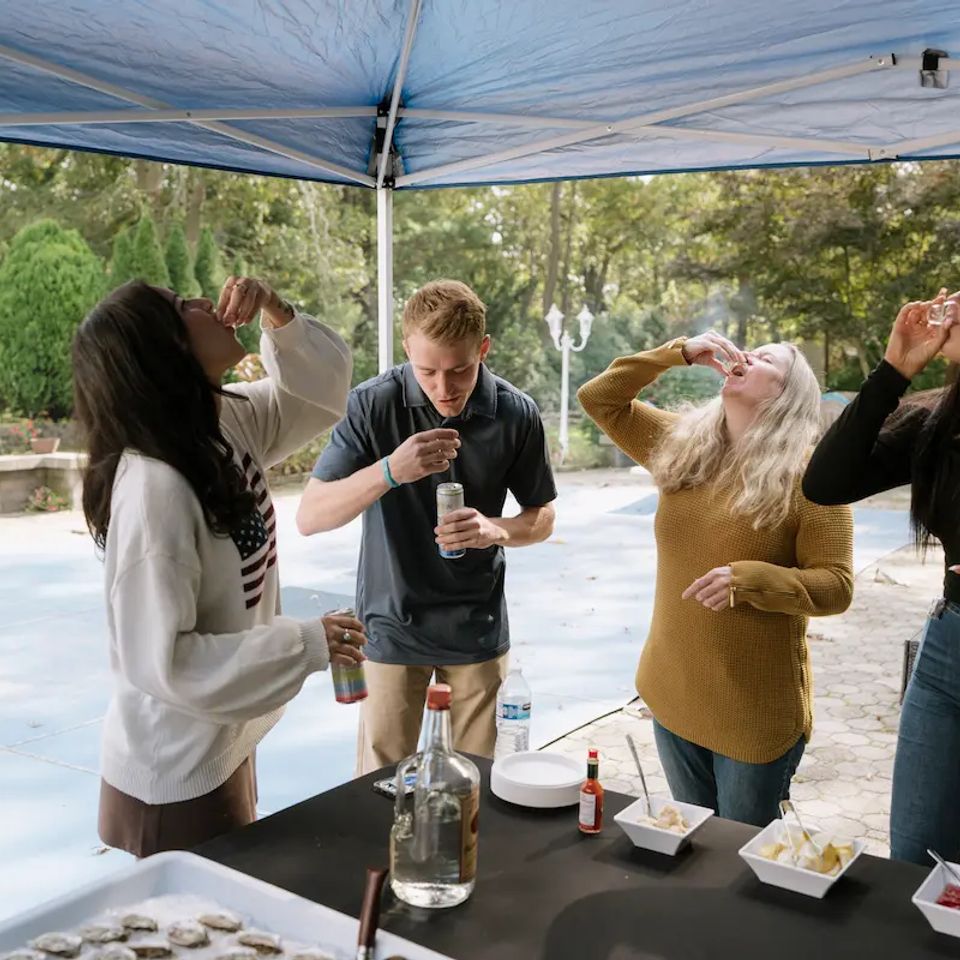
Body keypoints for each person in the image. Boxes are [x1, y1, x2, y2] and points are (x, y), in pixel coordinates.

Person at [72, 276, 366, 856]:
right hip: (176, 776)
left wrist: (280, 314)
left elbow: (318, 397)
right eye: (184, 307)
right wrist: (307, 643)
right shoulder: (156, 488)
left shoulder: (219, 422)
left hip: (221, 741)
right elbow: (166, 662)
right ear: (167, 351)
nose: (206, 302)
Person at [578, 331, 853, 826]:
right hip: (671, 692)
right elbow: (598, 397)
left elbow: (837, 585)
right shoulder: (683, 443)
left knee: (743, 863)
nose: (747, 355)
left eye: (767, 358)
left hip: (753, 714)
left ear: (786, 393)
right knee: (694, 847)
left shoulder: (813, 476)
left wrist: (749, 580)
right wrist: (677, 353)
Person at [297, 279, 557, 774]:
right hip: (391, 626)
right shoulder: (373, 405)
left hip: (475, 628)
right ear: (407, 351)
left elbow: (541, 517)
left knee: (477, 780)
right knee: (379, 785)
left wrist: (495, 529)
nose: (443, 388)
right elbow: (311, 516)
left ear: (483, 348)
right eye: (427, 371)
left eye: (460, 369)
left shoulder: (516, 412)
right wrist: (389, 471)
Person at [803, 289, 960, 865]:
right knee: (915, 858)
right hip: (948, 652)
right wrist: (892, 371)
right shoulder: (938, 419)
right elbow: (825, 483)